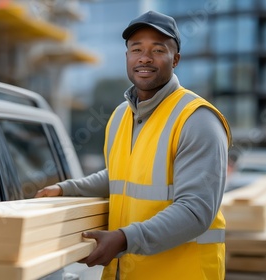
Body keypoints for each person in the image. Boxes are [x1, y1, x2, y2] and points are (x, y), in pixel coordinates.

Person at [35, 10, 231, 280]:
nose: (145, 58)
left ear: (175, 59)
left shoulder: (197, 119)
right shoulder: (119, 117)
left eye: (157, 50)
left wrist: (123, 239)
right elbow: (121, 175)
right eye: (136, 49)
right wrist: (66, 188)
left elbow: (196, 211)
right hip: (125, 272)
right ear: (127, 56)